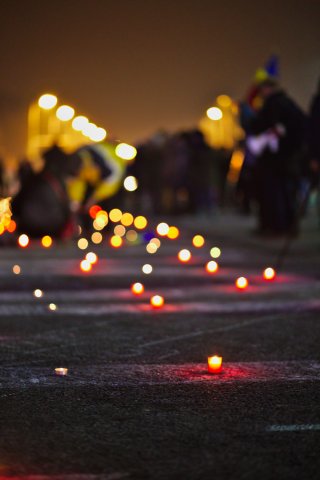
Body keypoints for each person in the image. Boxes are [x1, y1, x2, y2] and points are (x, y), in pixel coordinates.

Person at [248, 79, 307, 236]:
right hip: (286, 156)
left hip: (275, 158)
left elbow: (262, 125)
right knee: (285, 193)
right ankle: (287, 226)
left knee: (273, 193)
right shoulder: (287, 103)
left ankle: (275, 227)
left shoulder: (274, 104)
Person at [12, 145, 81, 238]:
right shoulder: (58, 184)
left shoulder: (33, 180)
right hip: (54, 231)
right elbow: (66, 210)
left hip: (28, 230)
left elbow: (16, 205)